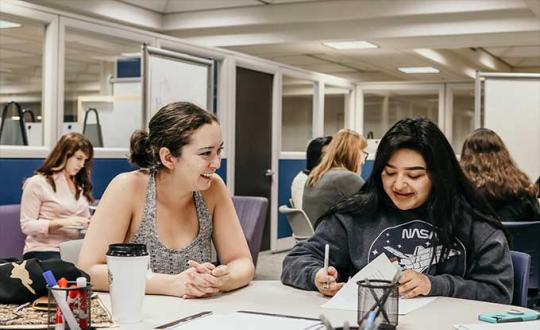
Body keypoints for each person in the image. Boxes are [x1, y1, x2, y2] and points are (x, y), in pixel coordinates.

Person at [281, 118, 513, 304]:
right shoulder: (355, 215)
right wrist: (316, 275)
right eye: (390, 173)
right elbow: (298, 259)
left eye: (414, 175)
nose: (399, 185)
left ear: (440, 176)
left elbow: (498, 292)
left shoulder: (473, 223)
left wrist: (434, 285)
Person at [78, 102, 254, 299]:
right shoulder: (127, 188)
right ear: (168, 158)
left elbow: (242, 261)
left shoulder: (213, 188)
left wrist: (224, 278)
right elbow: (89, 270)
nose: (216, 163)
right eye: (206, 153)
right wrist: (170, 284)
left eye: (218, 151)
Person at [20, 132, 94, 261]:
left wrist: (90, 222)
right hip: (44, 249)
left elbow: (84, 219)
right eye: (79, 158)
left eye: (85, 160)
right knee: (69, 271)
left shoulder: (78, 185)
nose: (82, 165)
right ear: (64, 155)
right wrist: (61, 223)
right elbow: (27, 225)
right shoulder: (37, 183)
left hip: (73, 248)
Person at [460, 128, 540, 221]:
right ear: (503, 155)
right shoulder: (524, 190)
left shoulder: (459, 192)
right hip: (518, 235)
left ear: (466, 157)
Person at [302, 129, 367, 227]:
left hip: (317, 238)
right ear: (353, 153)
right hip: (335, 239)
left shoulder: (315, 175)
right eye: (363, 153)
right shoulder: (348, 178)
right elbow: (371, 213)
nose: (363, 161)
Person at [290, 136, 332, 209]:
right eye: (325, 155)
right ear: (315, 157)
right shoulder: (302, 179)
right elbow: (304, 209)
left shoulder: (327, 178)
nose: (330, 159)